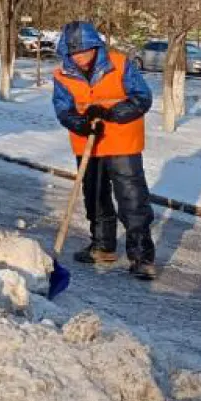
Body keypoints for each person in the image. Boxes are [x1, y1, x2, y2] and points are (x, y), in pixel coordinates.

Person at [51, 20, 157, 280]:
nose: (81, 58)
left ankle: (142, 257)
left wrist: (112, 113)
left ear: (96, 47)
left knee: (131, 198)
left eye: (85, 51)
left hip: (122, 142)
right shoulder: (62, 74)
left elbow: (142, 98)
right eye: (75, 53)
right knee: (94, 196)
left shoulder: (119, 64)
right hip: (88, 143)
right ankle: (102, 246)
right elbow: (63, 109)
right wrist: (82, 123)